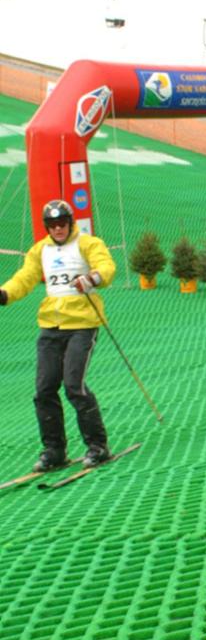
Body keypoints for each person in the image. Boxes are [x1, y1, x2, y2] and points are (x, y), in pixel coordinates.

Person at [0, 199, 116, 471]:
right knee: (44, 390)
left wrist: (92, 278)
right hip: (51, 326)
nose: (58, 228)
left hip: (82, 324)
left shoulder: (88, 243)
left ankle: (98, 446)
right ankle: (54, 451)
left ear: (70, 221)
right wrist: (5, 294)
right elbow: (25, 278)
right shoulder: (41, 250)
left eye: (62, 222)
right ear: (47, 227)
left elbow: (106, 267)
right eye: (52, 224)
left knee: (74, 385)